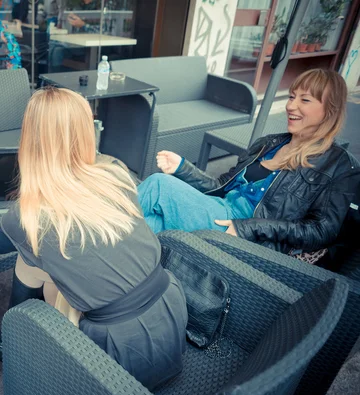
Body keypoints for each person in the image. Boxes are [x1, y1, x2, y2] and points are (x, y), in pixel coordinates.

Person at [0, 87, 188, 391]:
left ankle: (13, 336)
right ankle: (15, 335)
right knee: (37, 252)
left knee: (28, 254)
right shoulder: (115, 171)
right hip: (171, 310)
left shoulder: (27, 214)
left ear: (31, 140)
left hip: (117, 350)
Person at [138, 69, 360, 255]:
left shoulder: (339, 166)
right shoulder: (268, 144)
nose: (291, 106)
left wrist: (250, 228)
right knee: (147, 225)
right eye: (292, 97)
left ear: (330, 110)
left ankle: (102, 216)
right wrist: (182, 168)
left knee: (159, 185)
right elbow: (222, 186)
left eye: (305, 99)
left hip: (245, 236)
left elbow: (321, 231)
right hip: (221, 210)